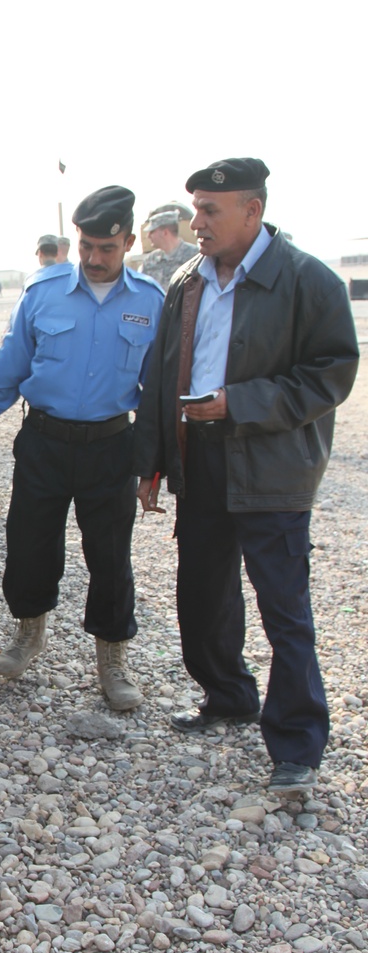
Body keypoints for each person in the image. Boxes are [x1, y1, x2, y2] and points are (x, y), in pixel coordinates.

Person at [135, 157, 359, 793]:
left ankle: (296, 741)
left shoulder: (307, 280)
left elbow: (332, 373)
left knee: (283, 607)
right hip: (199, 460)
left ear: (251, 211)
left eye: (210, 211)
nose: (195, 223)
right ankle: (227, 695)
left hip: (272, 464)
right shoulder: (187, 280)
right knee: (202, 593)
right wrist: (152, 459)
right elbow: (163, 373)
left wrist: (241, 402)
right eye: (195, 210)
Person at [0, 185, 164, 710]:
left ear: (129, 242)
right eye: (86, 246)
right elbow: (9, 366)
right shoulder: (43, 293)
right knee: (29, 545)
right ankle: (28, 632)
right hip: (44, 442)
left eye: (107, 249)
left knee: (111, 558)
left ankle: (112, 659)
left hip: (112, 446)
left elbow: (158, 393)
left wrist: (154, 464)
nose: (94, 258)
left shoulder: (152, 302)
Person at [141, 209, 194, 291]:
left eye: (152, 232)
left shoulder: (194, 256)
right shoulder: (150, 261)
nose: (148, 236)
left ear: (165, 233)